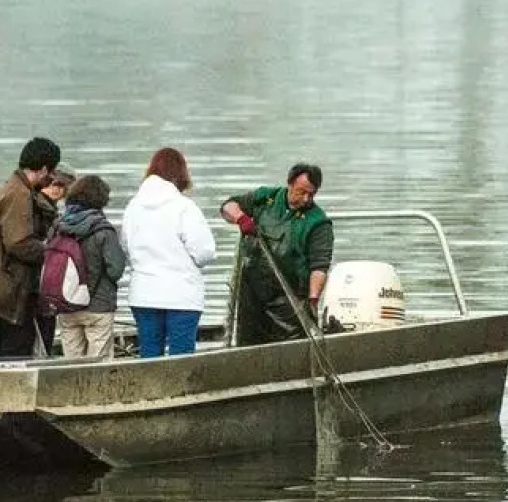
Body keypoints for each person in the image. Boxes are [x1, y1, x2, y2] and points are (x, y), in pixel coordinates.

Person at [220, 162, 333, 346]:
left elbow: (319, 267)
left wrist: (312, 301)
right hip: (253, 295)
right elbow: (227, 206)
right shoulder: (266, 198)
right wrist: (241, 218)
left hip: (289, 301)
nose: (306, 199)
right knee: (247, 347)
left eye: (311, 194)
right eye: (301, 192)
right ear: (290, 184)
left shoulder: (318, 222)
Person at [121, 147, 217, 358]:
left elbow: (126, 247)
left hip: (143, 293)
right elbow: (204, 252)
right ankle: (182, 391)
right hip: (181, 295)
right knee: (181, 357)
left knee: (149, 354)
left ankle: (150, 390)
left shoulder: (133, 207)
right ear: (180, 173)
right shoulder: (185, 207)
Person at [0, 136, 61, 358]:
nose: (50, 179)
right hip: (10, 288)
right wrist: (54, 253)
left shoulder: (6, 188)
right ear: (43, 169)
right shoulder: (19, 195)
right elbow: (19, 243)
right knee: (16, 352)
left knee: (6, 349)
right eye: (50, 172)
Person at [48, 174, 126, 359]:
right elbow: (116, 270)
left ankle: (71, 388)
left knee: (71, 364)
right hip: (98, 307)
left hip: (67, 303)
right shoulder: (104, 231)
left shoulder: (58, 227)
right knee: (98, 365)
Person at [31, 168, 75, 354]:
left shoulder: (51, 209)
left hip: (43, 281)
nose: (56, 189)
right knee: (43, 330)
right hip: (39, 281)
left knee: (45, 329)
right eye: (52, 184)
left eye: (61, 186)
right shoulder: (40, 208)